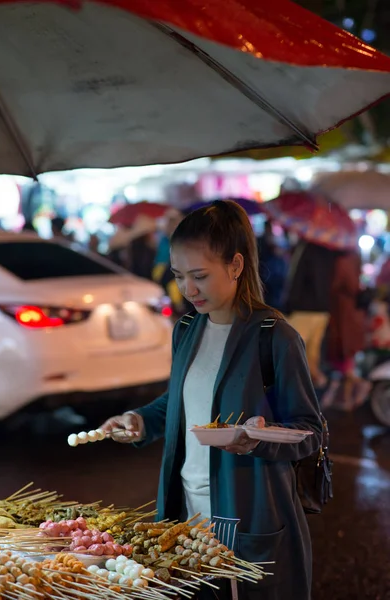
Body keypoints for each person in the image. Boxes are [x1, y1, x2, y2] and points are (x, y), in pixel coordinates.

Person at [100, 201, 322, 600]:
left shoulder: (275, 337)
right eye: (179, 276)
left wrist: (258, 437)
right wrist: (138, 420)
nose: (188, 289)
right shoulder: (185, 328)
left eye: (200, 275)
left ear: (236, 266)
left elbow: (310, 431)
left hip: (248, 516)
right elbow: (180, 402)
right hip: (185, 515)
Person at [284, 240, 337, 388]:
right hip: (323, 310)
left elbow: (297, 277)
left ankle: (292, 390)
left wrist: (289, 304)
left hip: (303, 309)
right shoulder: (329, 251)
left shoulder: (305, 248)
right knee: (312, 355)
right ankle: (312, 391)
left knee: (292, 352)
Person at [322, 251, 371, 410]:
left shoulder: (344, 260)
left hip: (343, 315)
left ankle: (360, 388)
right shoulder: (352, 258)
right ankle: (348, 399)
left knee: (345, 362)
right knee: (346, 363)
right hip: (347, 315)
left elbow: (345, 283)